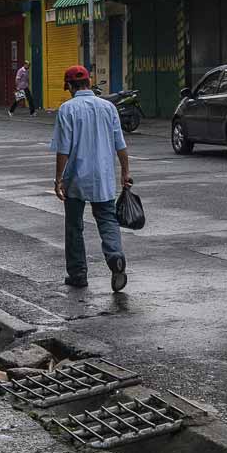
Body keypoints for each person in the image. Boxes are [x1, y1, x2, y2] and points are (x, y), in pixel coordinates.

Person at [51, 65, 131, 292]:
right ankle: (115, 257)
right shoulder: (108, 107)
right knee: (107, 220)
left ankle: (78, 274)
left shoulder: (67, 109)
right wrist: (126, 172)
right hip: (104, 177)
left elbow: (63, 150)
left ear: (69, 87)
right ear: (89, 82)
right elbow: (120, 144)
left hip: (76, 178)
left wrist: (58, 179)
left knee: (74, 227)